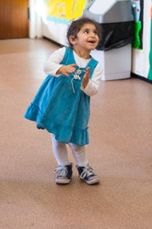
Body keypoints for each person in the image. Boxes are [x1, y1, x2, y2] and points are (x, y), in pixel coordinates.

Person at [24, 17, 103, 185]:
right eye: (86, 31)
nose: (92, 35)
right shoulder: (63, 53)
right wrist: (60, 68)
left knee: (77, 141)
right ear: (73, 39)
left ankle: (83, 167)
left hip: (77, 109)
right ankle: (64, 167)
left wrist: (86, 83)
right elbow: (47, 65)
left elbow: (93, 90)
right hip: (56, 104)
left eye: (95, 32)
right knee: (58, 138)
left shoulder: (96, 65)